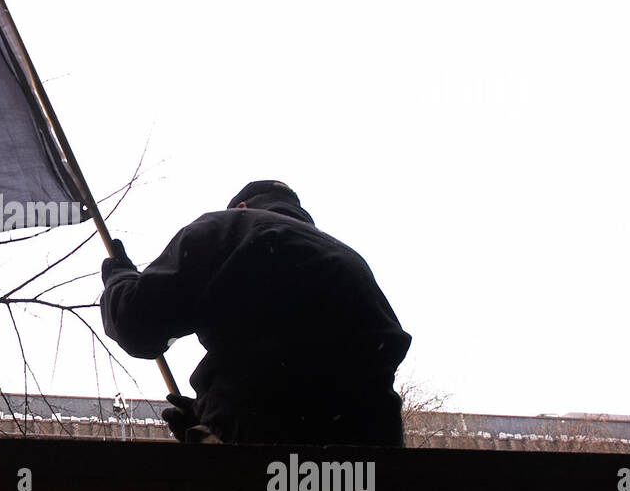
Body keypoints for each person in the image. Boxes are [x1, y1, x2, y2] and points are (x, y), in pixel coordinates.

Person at [100, 180, 411, 445]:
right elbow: (321, 365)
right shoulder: (348, 259)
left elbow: (138, 325)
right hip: (364, 464)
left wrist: (120, 278)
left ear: (242, 207)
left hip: (263, 452)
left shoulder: (228, 228)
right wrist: (211, 409)